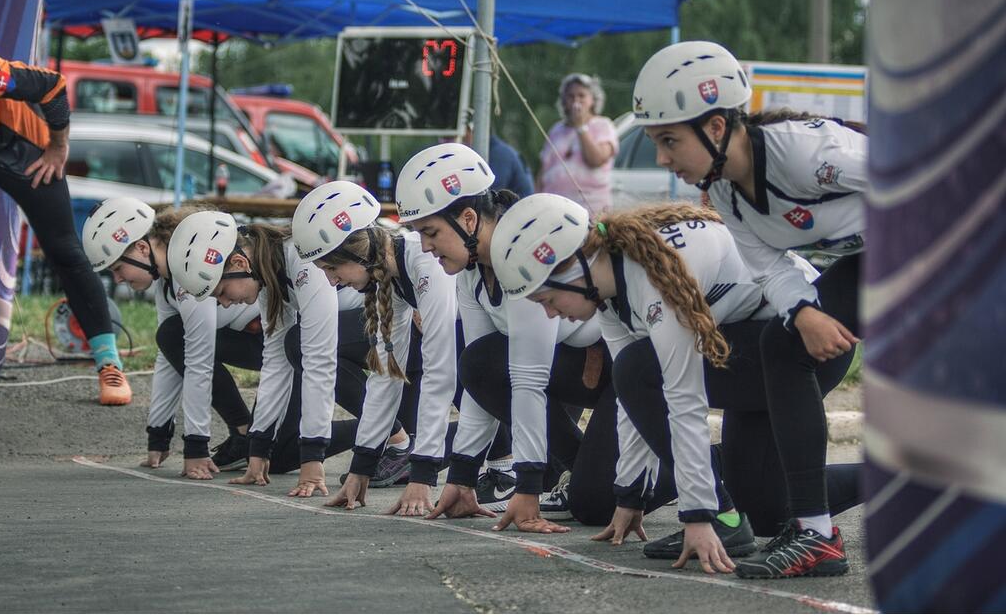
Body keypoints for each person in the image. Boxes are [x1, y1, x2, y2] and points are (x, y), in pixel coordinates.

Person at [491, 193, 862, 574]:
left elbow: (683, 398)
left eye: (548, 299)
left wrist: (700, 514)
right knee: (765, 510)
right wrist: (631, 494)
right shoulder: (610, 294)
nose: (550, 313)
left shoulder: (653, 277)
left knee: (637, 369)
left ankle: (721, 516)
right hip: (750, 346)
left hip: (805, 342)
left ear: (573, 268)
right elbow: (630, 405)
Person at [632, 40, 868, 578]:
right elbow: (770, 268)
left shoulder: (806, 154)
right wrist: (804, 311)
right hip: (880, 259)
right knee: (782, 343)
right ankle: (816, 535)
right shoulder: (727, 194)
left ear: (716, 128)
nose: (663, 159)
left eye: (670, 141)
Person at [396, 142, 617, 533]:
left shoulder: (521, 250)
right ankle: (582, 472)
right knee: (479, 362)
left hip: (623, 371)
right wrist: (461, 477)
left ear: (468, 219)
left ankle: (695, 467)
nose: (425, 247)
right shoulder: (470, 272)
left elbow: (529, 377)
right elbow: (481, 381)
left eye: (430, 232)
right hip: (574, 368)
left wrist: (527, 488)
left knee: (596, 505)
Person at [0, 45, 130, 406]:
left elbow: (51, 85)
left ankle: (110, 365)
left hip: (23, 147)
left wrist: (58, 146)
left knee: (63, 250)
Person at [166, 211, 407, 495]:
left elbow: (320, 360)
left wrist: (313, 460)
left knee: (299, 343)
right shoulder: (267, 273)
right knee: (281, 454)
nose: (226, 304)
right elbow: (275, 362)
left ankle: (398, 440)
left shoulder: (301, 261)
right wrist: (258, 449)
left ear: (240, 263)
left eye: (221, 292)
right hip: (368, 332)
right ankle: (392, 429)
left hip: (397, 329)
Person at [292, 181, 459, 516]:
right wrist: (361, 468)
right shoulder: (389, 276)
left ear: (358, 253)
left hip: (525, 370)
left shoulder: (425, 263)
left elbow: (441, 371)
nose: (331, 281)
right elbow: (385, 377)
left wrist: (422, 475)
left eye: (332, 269)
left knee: (464, 356)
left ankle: (505, 466)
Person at [81, 197, 264, 478]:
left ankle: (245, 433)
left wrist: (196, 447)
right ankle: (244, 433)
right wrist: (158, 434)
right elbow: (169, 356)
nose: (117, 280)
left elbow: (199, 360)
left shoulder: (190, 269)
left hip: (283, 349)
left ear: (142, 248)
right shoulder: (166, 283)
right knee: (170, 336)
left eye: (117, 269)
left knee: (281, 455)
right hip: (258, 345)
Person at [537, 73, 618, 213]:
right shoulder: (556, 130)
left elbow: (596, 160)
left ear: (592, 99)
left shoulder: (603, 125)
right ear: (564, 101)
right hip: (555, 209)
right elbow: (543, 170)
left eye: (581, 96)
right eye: (571, 96)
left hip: (592, 208)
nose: (576, 101)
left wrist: (580, 127)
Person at [447, 107, 533, 198]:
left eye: (466, 132)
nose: (463, 137)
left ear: (474, 130)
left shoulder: (499, 154)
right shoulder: (497, 150)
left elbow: (489, 190)